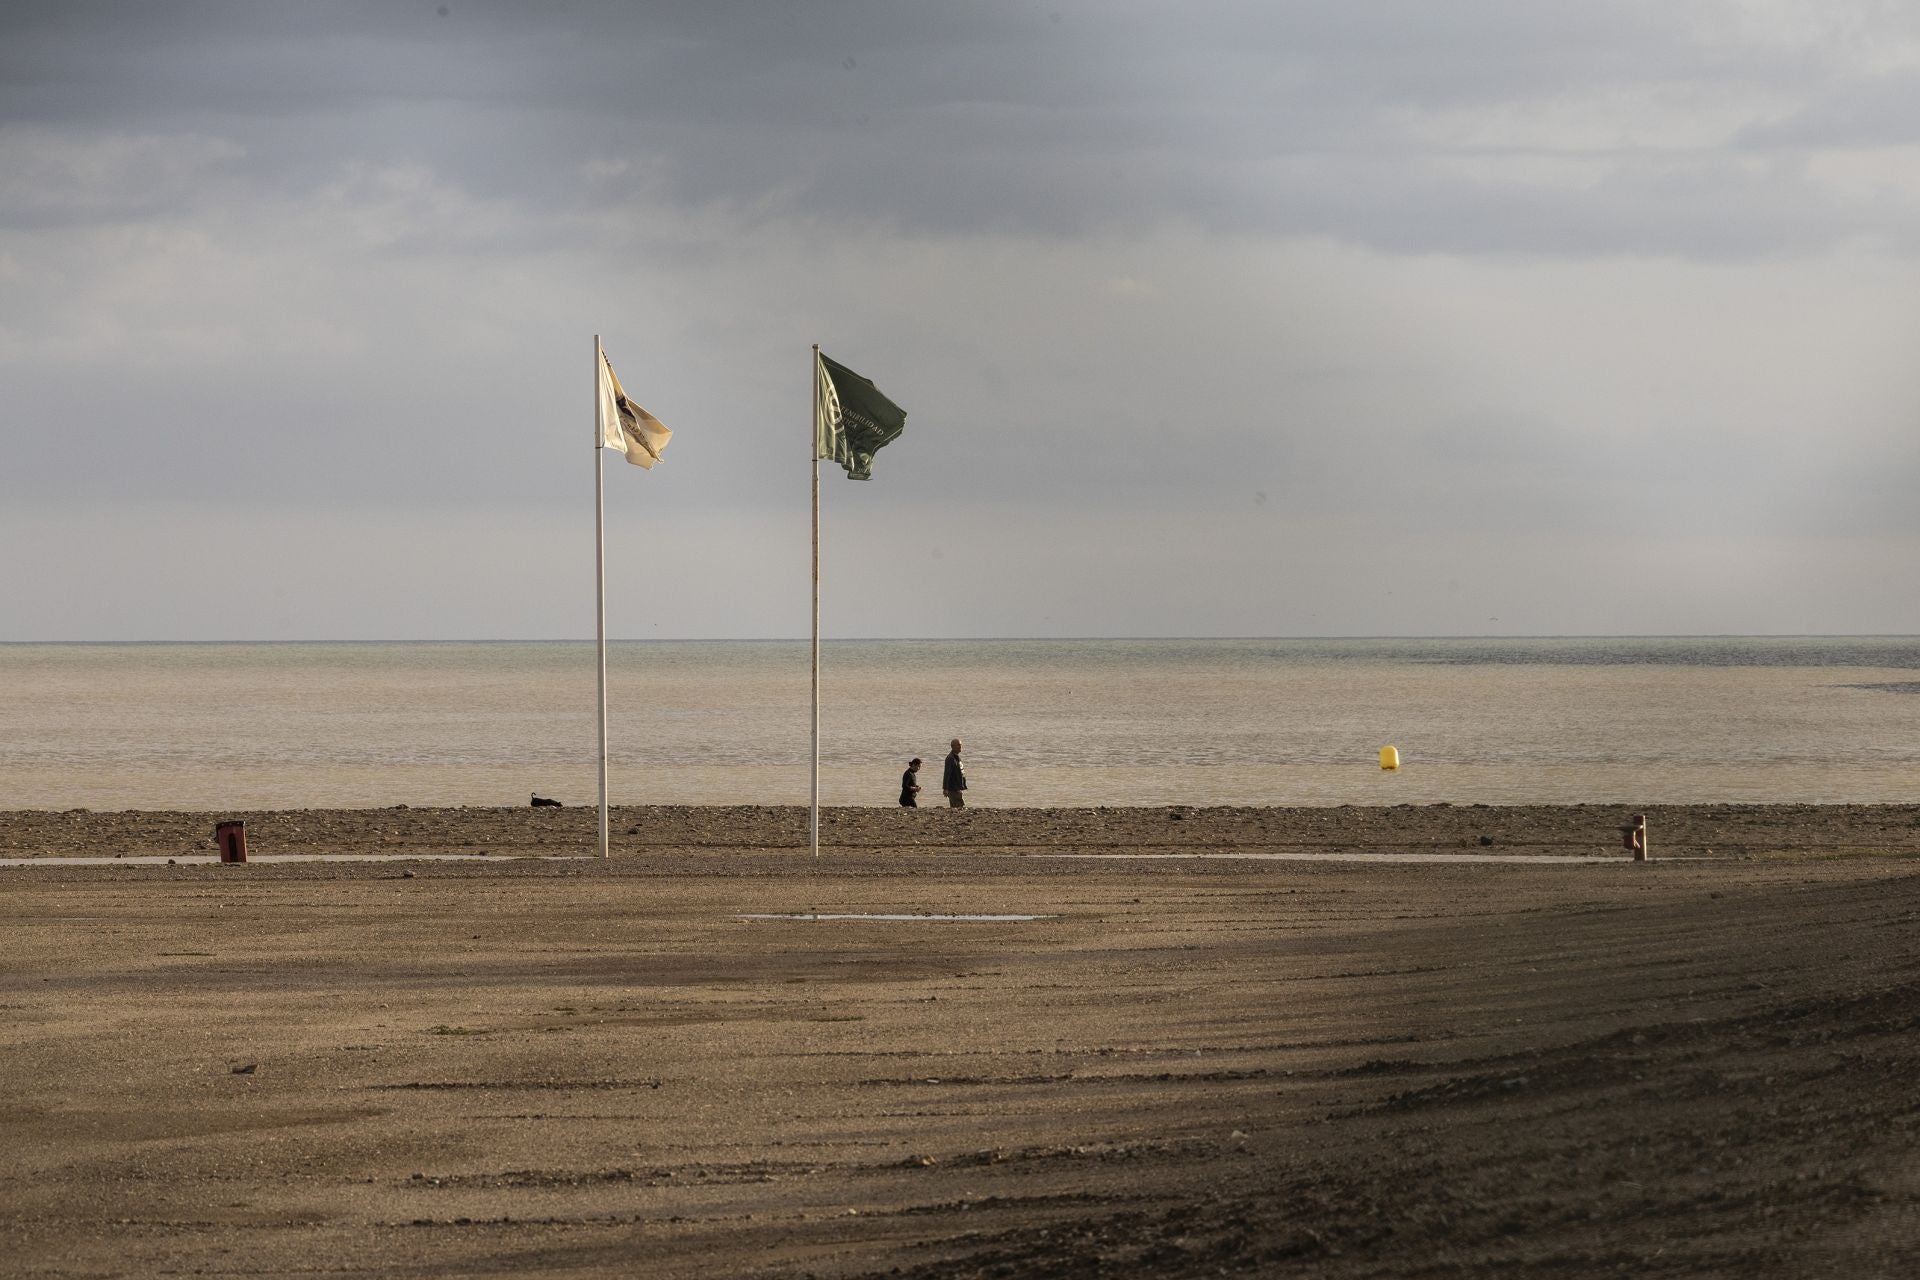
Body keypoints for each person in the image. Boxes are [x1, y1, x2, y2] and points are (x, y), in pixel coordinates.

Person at [942, 738, 966, 808]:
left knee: (959, 806)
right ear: (952, 746)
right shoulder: (950, 758)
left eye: (961, 745)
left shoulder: (956, 757)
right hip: (953, 788)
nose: (960, 746)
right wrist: (945, 788)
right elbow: (947, 774)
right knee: (957, 807)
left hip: (957, 788)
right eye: (958, 745)